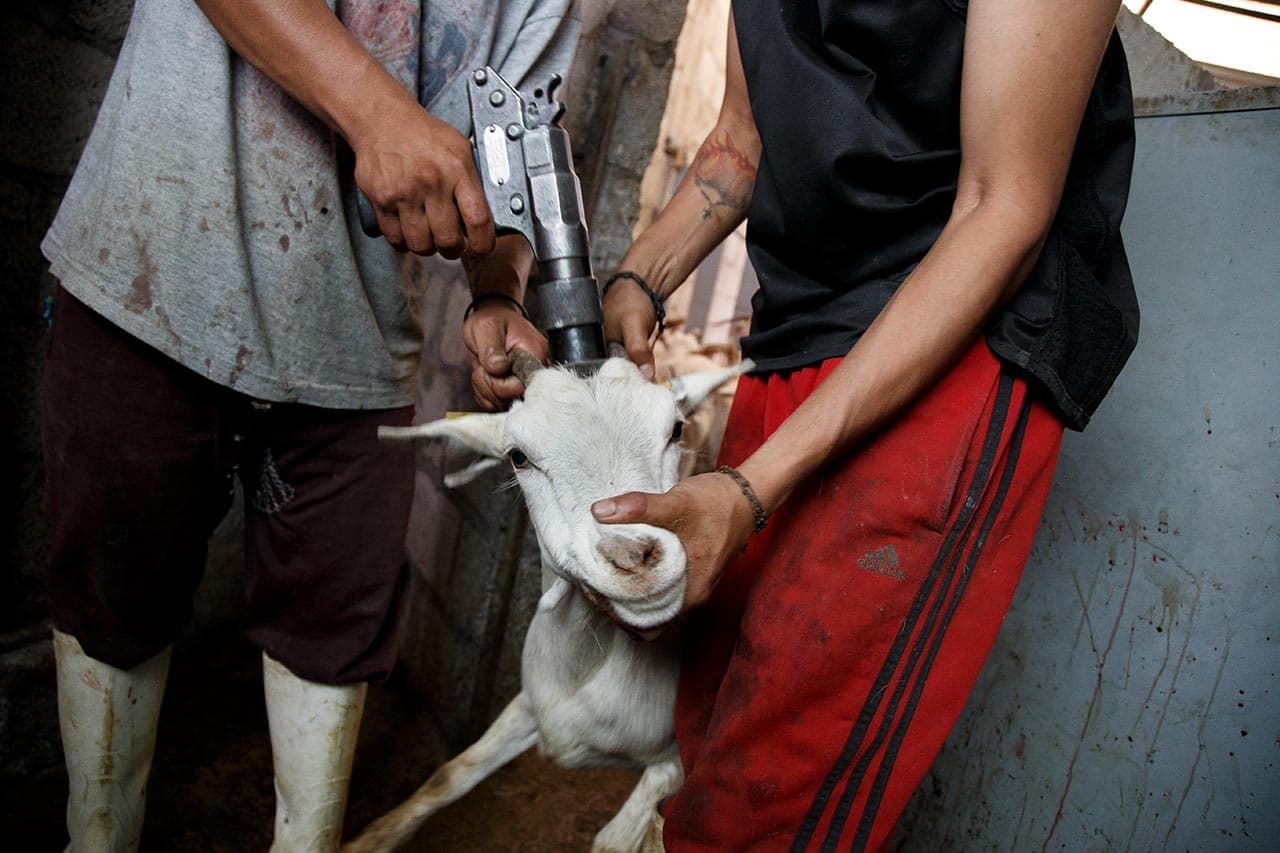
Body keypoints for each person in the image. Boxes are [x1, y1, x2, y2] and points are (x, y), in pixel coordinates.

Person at [593, 0, 1139, 849]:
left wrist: (749, 487)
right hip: (797, 329)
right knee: (706, 722)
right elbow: (742, 138)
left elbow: (1004, 209)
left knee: (770, 796)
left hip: (954, 339)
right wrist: (638, 279)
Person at [39, 0, 578, 849]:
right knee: (114, 606)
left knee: (333, 640)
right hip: (153, 267)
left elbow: (508, 164)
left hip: (356, 348)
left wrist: (497, 291)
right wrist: (378, 114)